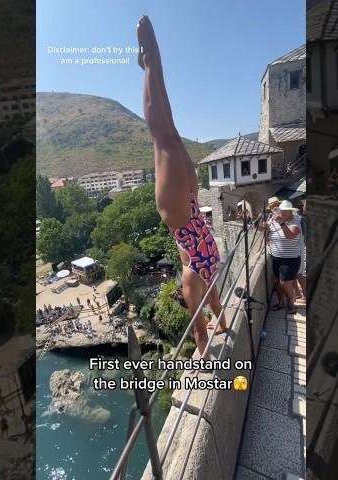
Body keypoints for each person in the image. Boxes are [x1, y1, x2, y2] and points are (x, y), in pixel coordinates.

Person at [137, 15, 226, 357]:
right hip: (182, 210)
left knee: (167, 132)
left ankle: (151, 64)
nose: (190, 294)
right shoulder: (196, 274)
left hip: (189, 199)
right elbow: (200, 299)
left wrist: (210, 327)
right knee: (164, 133)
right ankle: (150, 65)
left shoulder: (204, 267)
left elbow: (203, 296)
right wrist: (205, 334)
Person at [263, 200, 302, 314]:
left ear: (290, 212)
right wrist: (261, 225)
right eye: (282, 211)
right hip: (275, 257)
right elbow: (266, 229)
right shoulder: (274, 219)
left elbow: (291, 235)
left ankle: (291, 303)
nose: (283, 213)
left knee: (285, 283)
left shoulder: (296, 220)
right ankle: (281, 303)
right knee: (278, 283)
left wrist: (281, 223)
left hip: (290, 259)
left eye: (285, 211)